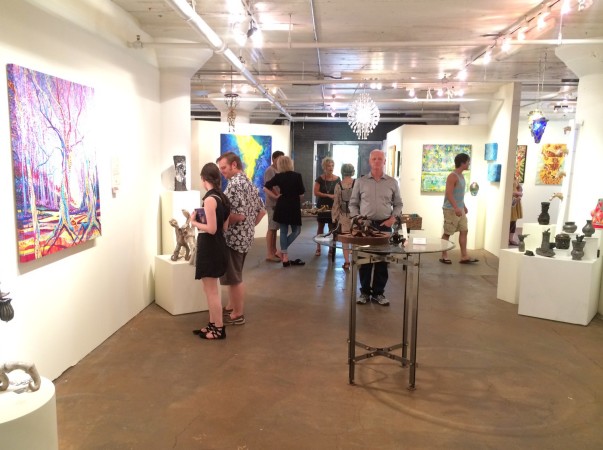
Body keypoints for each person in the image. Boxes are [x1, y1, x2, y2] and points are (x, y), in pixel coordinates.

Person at [216, 152, 266, 326]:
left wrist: (220, 222)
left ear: (234, 165)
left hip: (234, 239)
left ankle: (238, 314)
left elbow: (237, 215)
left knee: (234, 278)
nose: (222, 172)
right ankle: (232, 306)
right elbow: (262, 211)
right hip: (245, 238)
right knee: (234, 275)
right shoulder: (249, 183)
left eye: (224, 168)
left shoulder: (235, 185)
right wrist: (250, 227)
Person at [349, 150, 402, 306]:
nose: (377, 161)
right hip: (365, 226)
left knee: (382, 261)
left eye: (380, 159)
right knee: (364, 260)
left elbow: (398, 204)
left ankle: (379, 293)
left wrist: (393, 218)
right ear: (369, 161)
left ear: (384, 161)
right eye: (374, 159)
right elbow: (353, 204)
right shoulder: (361, 182)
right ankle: (364, 292)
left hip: (384, 226)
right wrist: (358, 218)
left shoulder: (392, 182)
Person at [190, 163, 231, 340]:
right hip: (218, 245)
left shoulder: (209, 200)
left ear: (203, 178)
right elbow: (224, 227)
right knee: (209, 290)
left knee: (211, 291)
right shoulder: (222, 197)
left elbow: (212, 229)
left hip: (210, 246)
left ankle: (219, 328)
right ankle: (213, 324)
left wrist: (194, 222)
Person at [264, 155, 306, 267]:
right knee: (296, 231)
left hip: (282, 205)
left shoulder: (278, 176)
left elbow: (266, 186)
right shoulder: (297, 176)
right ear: (290, 163)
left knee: (283, 231)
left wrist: (276, 196)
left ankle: (284, 256)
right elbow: (301, 191)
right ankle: (283, 253)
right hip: (293, 206)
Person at [439, 153, 478, 264]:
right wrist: (456, 207)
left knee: (464, 230)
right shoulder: (452, 176)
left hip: (459, 209)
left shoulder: (461, 176)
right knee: (447, 232)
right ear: (462, 162)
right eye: (468, 161)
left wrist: (463, 206)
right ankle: (444, 255)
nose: (469, 163)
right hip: (450, 210)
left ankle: (464, 256)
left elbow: (459, 194)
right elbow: (449, 194)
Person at [313, 156, 340, 256]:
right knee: (320, 226)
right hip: (322, 206)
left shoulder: (337, 179)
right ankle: (318, 247)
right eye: (329, 166)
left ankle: (331, 248)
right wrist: (328, 195)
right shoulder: (320, 179)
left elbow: (339, 192)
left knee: (331, 227)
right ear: (324, 167)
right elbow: (316, 192)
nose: (331, 167)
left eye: (332, 165)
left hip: (333, 206)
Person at [331, 163, 356, 270]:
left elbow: (336, 203)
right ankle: (355, 260)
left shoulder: (338, 185)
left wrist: (334, 217)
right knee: (356, 237)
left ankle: (347, 262)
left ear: (342, 172)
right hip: (356, 215)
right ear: (352, 172)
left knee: (345, 239)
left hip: (343, 215)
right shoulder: (357, 183)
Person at [264, 150, 284, 262]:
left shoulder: (279, 170)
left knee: (275, 228)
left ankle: (274, 250)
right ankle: (269, 253)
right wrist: (277, 196)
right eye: (279, 158)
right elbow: (269, 186)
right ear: (273, 159)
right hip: (272, 203)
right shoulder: (270, 170)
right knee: (271, 228)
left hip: (278, 203)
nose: (280, 161)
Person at [509, 177, 523, 246]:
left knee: (514, 220)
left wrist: (519, 196)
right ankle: (505, 238)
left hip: (515, 200)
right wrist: (517, 193)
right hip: (510, 200)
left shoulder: (515, 178)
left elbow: (520, 188)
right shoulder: (507, 177)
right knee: (509, 220)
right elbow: (506, 191)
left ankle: (511, 239)